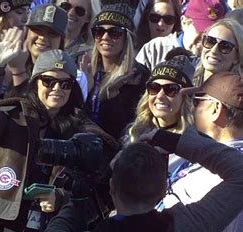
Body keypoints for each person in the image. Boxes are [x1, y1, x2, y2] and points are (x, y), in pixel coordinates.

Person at [0, 27, 118, 232]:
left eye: (65, 84)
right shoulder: (17, 116)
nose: (57, 89)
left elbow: (100, 188)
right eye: (49, 81)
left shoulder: (83, 128)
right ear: (36, 82)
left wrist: (61, 197)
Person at [41, 124, 243, 232]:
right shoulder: (191, 228)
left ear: (112, 187)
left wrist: (81, 195)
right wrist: (171, 140)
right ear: (163, 190)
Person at [160, 72, 243, 232]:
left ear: (215, 109)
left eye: (197, 101)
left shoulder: (231, 175)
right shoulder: (210, 150)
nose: (191, 108)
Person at [85, 1, 150, 140]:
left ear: (128, 38)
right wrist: (84, 89)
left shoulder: (139, 77)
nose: (105, 37)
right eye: (99, 31)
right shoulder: (84, 67)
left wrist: (113, 96)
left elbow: (130, 127)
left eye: (115, 32)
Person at [136, 0, 228, 71]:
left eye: (211, 34)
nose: (205, 38)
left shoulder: (216, 59)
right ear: (184, 22)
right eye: (201, 30)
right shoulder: (156, 49)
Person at [125, 52, 194, 144]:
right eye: (154, 88)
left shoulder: (195, 143)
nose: (160, 96)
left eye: (171, 89)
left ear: (186, 98)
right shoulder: (134, 133)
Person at [192, 18, 243, 86]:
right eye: (210, 41)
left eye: (225, 46)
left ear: (237, 57)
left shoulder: (238, 93)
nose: (214, 50)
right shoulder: (186, 76)